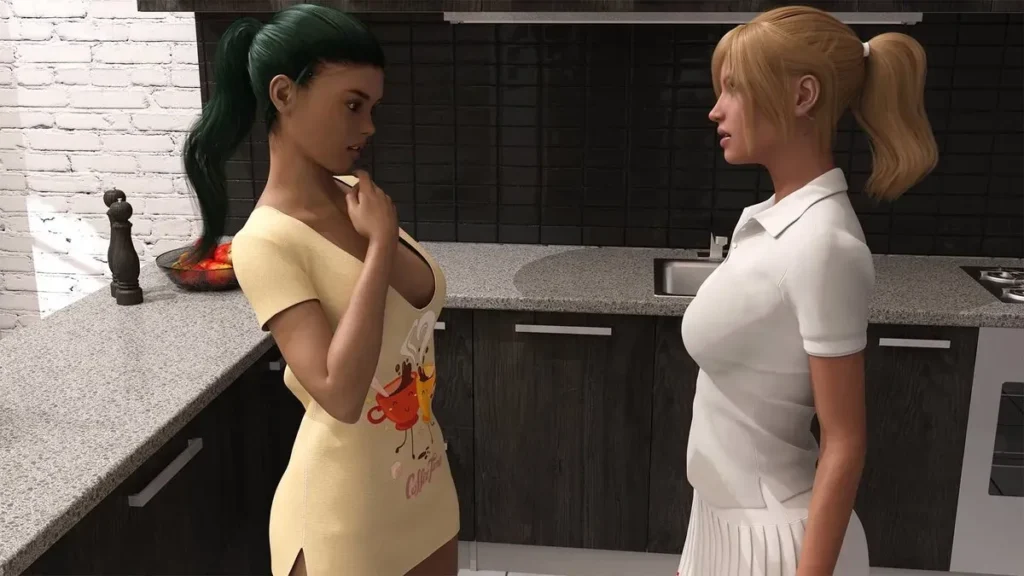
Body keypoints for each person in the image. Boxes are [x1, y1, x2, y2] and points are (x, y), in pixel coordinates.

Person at [180, 6, 459, 576]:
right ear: (284, 95)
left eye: (373, 108)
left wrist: (379, 237)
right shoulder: (266, 242)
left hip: (425, 485)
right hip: (345, 514)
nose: (369, 126)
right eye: (353, 105)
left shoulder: (355, 196)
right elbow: (340, 393)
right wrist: (380, 247)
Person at [677, 6, 937, 576]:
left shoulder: (823, 246)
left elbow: (845, 441)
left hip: (776, 543)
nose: (716, 109)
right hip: (721, 522)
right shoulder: (768, 221)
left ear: (803, 96)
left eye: (734, 89)